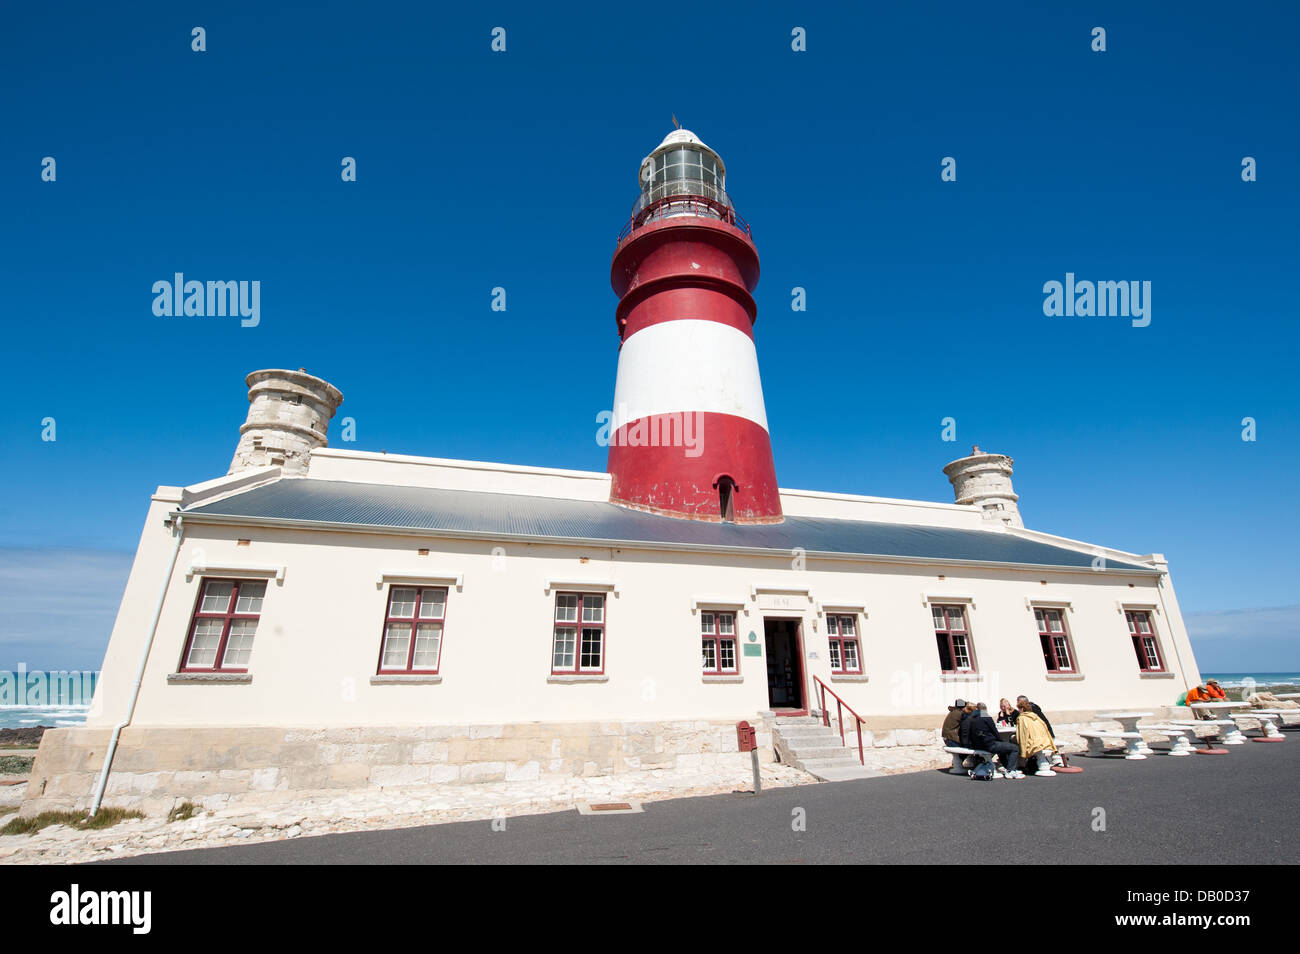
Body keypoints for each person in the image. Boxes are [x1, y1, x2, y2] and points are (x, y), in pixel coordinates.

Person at [967, 705, 1022, 778]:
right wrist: (1001, 741)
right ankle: (1011, 770)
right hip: (988, 745)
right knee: (1014, 748)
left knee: (1001, 748)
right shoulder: (986, 717)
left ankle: (1007, 768)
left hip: (977, 745)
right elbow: (995, 732)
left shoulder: (971, 718)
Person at [1014, 699, 1059, 776]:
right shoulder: (1036, 716)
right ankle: (1042, 764)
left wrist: (1023, 749)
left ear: (1021, 709)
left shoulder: (1022, 718)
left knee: (1014, 743)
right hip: (1045, 741)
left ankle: (1020, 765)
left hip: (1034, 743)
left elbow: (1023, 734)